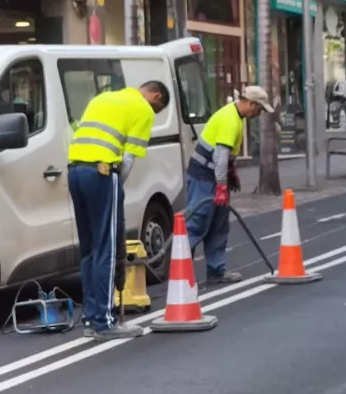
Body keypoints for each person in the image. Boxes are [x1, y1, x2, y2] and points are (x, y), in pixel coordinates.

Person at [67, 80, 170, 338]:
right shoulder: (143, 109)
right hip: (102, 172)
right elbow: (127, 159)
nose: (154, 114)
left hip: (75, 171)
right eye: (158, 108)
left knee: (89, 248)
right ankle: (104, 321)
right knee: (108, 247)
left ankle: (92, 319)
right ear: (155, 95)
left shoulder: (101, 98)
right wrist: (117, 187)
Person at [186, 85, 275, 284]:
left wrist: (231, 171)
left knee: (219, 224)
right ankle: (180, 270)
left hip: (213, 175)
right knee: (197, 224)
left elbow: (227, 156)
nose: (258, 114)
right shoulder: (230, 120)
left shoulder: (236, 118)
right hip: (204, 177)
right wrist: (222, 186)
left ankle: (216, 270)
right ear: (251, 104)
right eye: (259, 109)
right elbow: (220, 156)